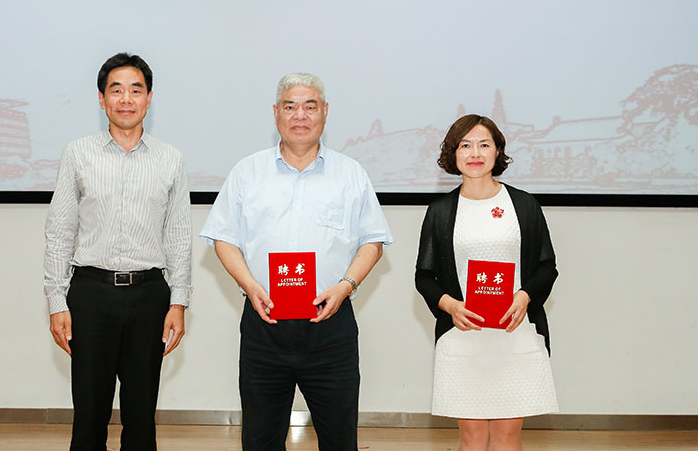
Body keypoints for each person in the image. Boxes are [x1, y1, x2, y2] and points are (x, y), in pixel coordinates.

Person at [200, 72, 393, 451]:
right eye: (290, 107)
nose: (300, 115)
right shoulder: (247, 172)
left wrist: (346, 286)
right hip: (265, 325)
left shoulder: (350, 174)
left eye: (309, 106)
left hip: (330, 327)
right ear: (275, 113)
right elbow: (223, 238)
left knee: (339, 440)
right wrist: (249, 285)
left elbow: (373, 241)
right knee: (260, 439)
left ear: (325, 112)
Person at [44, 53, 192, 451]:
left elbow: (179, 235)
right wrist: (57, 301)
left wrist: (178, 301)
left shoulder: (171, 159)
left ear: (149, 98)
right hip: (91, 294)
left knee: (141, 419)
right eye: (116, 90)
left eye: (136, 90)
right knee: (89, 419)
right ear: (101, 99)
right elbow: (60, 231)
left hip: (149, 296)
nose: (126, 99)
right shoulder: (78, 154)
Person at [415, 114, 558, 451]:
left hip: (515, 333)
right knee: (473, 437)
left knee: (508, 436)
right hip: (463, 336)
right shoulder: (440, 211)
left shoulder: (523, 205)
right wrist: (451, 306)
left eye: (484, 144)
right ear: (453, 154)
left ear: (497, 151)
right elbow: (424, 276)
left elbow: (546, 267)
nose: (475, 153)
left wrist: (524, 296)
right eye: (465, 145)